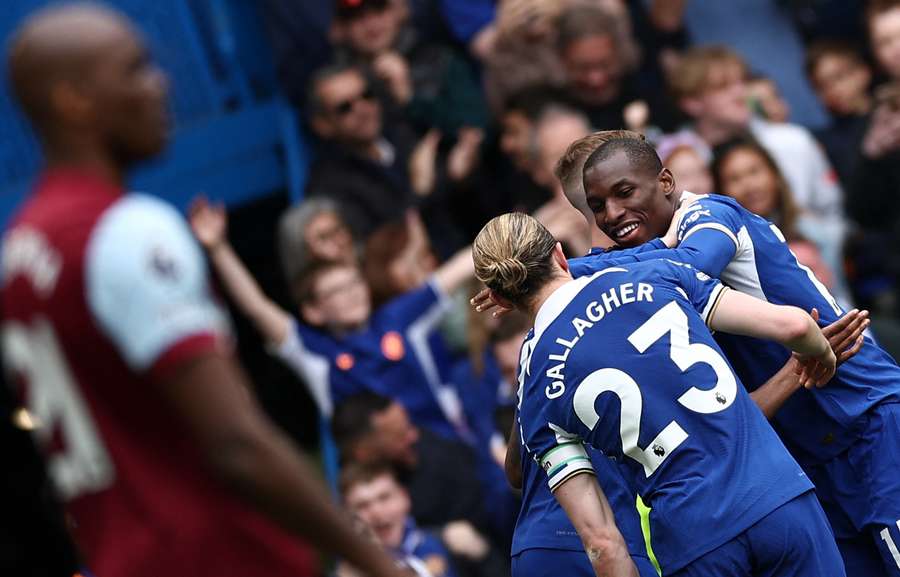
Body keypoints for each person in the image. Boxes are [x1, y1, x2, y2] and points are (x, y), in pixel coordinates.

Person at [0, 5, 406, 577]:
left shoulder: (20, 251)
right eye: (136, 69)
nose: (161, 83)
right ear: (74, 101)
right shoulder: (124, 231)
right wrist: (378, 563)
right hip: (215, 555)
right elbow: (235, 444)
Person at [572, 135, 900, 576]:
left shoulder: (710, 214)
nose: (611, 215)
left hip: (868, 420)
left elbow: (695, 262)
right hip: (804, 453)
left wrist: (568, 271)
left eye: (624, 192)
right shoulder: (639, 282)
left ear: (666, 181)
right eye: (596, 206)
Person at [473, 212, 845, 577]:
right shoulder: (653, 273)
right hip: (776, 499)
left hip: (694, 540)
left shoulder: (536, 384)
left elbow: (602, 543)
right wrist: (821, 354)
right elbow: (794, 324)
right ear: (558, 254)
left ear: (502, 302)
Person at [189, 199, 473, 442]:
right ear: (313, 311)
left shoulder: (397, 316)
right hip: (387, 475)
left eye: (354, 285)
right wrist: (218, 249)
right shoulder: (316, 353)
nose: (350, 295)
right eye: (335, 293)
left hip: (448, 446)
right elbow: (257, 308)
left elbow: (461, 267)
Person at [341, 462, 458, 577]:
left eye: (384, 497)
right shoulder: (349, 569)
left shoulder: (444, 542)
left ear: (405, 497)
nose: (376, 512)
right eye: (362, 505)